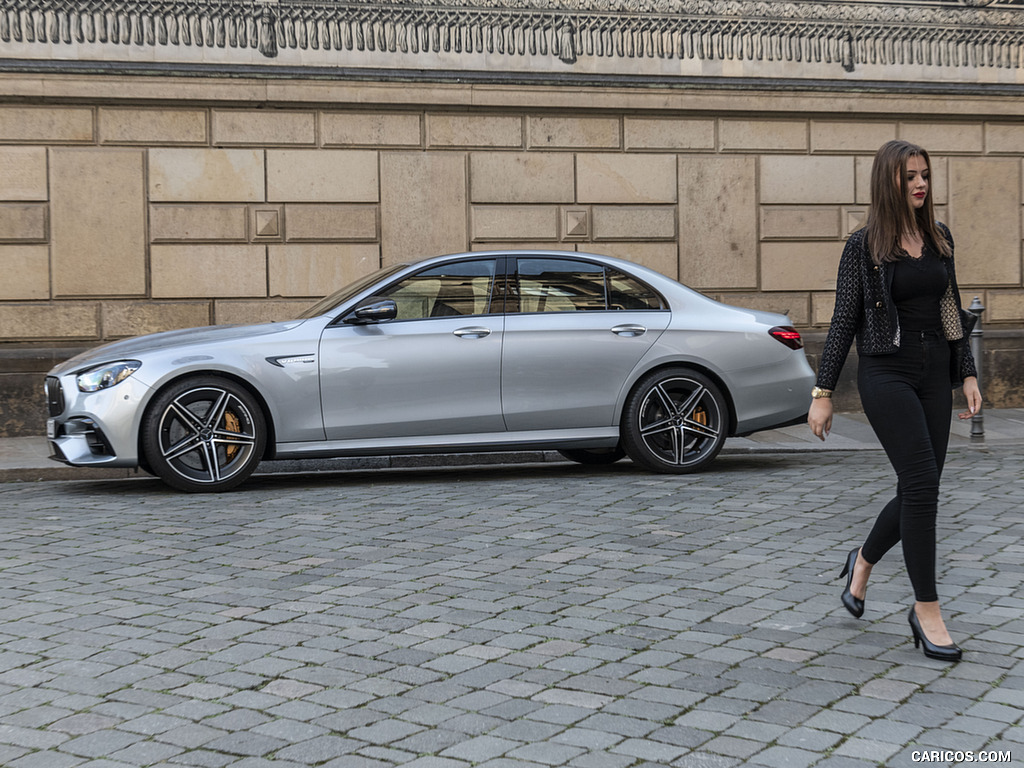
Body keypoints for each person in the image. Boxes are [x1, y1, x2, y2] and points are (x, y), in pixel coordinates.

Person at [807, 139, 983, 662]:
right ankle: (926, 608)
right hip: (886, 373)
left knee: (917, 486)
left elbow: (950, 306)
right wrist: (823, 392)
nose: (921, 184)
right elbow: (843, 320)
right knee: (923, 483)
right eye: (910, 177)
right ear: (890, 181)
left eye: (925, 175)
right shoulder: (864, 246)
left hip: (933, 373)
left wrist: (967, 374)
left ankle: (861, 562)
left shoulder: (939, 236)